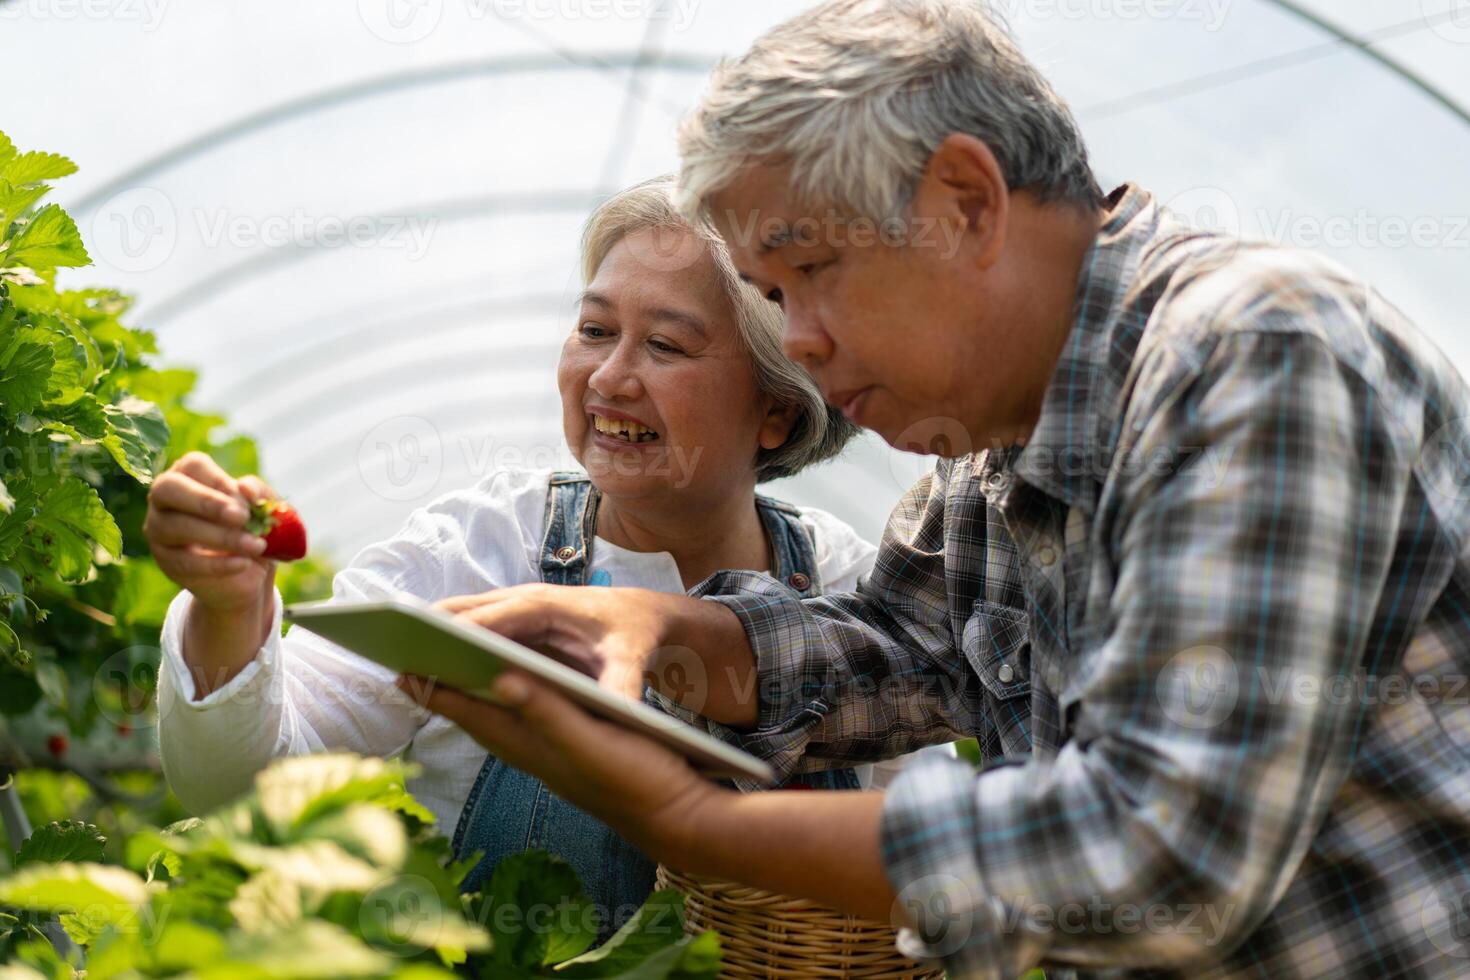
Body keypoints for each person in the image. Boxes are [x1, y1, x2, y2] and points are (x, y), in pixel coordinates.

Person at [392, 1, 1470, 977]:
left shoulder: (1251, 355)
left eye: (810, 270)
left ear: (963, 201)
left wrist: (685, 819)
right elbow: (888, 652)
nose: (798, 341)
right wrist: (665, 627)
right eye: (770, 294)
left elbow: (1157, 854)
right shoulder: (984, 460)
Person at [146, 175, 914, 937]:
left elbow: (922, 879)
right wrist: (229, 609)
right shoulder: (482, 549)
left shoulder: (847, 589)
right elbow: (246, 787)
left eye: (666, 346)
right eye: (594, 330)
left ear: (776, 412)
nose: (609, 379)